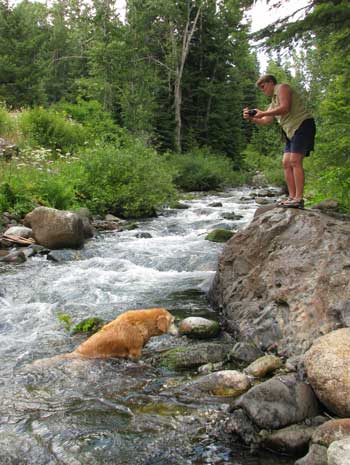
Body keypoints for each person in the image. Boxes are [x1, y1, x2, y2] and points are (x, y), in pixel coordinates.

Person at [243, 74, 316, 208]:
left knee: (294, 161)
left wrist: (263, 113)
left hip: (302, 124)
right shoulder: (273, 102)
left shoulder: (282, 88)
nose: (263, 90)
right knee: (286, 163)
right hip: (290, 131)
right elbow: (265, 121)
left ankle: (299, 199)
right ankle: (292, 197)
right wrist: (252, 118)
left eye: (263, 86)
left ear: (271, 83)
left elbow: (285, 108)